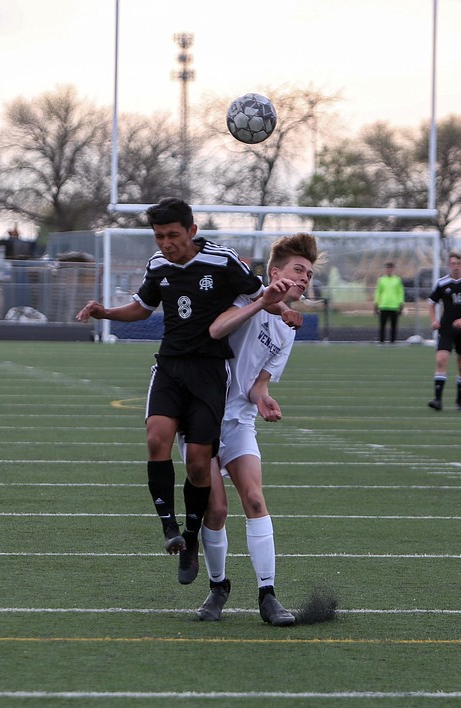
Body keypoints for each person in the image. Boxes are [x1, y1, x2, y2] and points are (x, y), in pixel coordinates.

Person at [75, 198, 299, 585]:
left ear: (192, 231)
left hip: (210, 373)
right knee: (155, 436)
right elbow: (143, 308)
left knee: (199, 465)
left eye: (173, 235)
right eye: (160, 236)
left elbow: (261, 294)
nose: (166, 243)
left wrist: (285, 311)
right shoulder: (157, 265)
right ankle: (169, 527)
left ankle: (191, 538)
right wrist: (106, 312)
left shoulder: (223, 260)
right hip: (170, 367)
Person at [192, 233, 319, 627]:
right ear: (275, 272)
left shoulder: (287, 329)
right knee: (215, 508)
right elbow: (216, 330)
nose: (304, 279)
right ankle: (218, 587)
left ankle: (268, 595)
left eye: (309, 274)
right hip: (201, 414)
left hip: (240, 420)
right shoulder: (247, 297)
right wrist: (264, 301)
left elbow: (258, 382)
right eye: (298, 270)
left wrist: (262, 397)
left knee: (255, 500)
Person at [427, 252, 461, 411]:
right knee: (441, 360)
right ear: (449, 265)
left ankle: (459, 401)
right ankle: (437, 400)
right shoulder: (442, 283)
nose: (455, 266)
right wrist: (434, 321)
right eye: (453, 264)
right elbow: (431, 303)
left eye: (458, 263)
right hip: (447, 328)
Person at [373, 261, 405, 344]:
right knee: (382, 326)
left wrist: (401, 304)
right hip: (383, 306)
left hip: (394, 306)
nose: (388, 270)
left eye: (390, 268)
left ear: (393, 269)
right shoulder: (381, 280)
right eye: (387, 268)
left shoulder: (397, 280)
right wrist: (376, 303)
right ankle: (381, 342)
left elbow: (400, 292)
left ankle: (392, 342)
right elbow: (378, 292)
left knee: (394, 326)